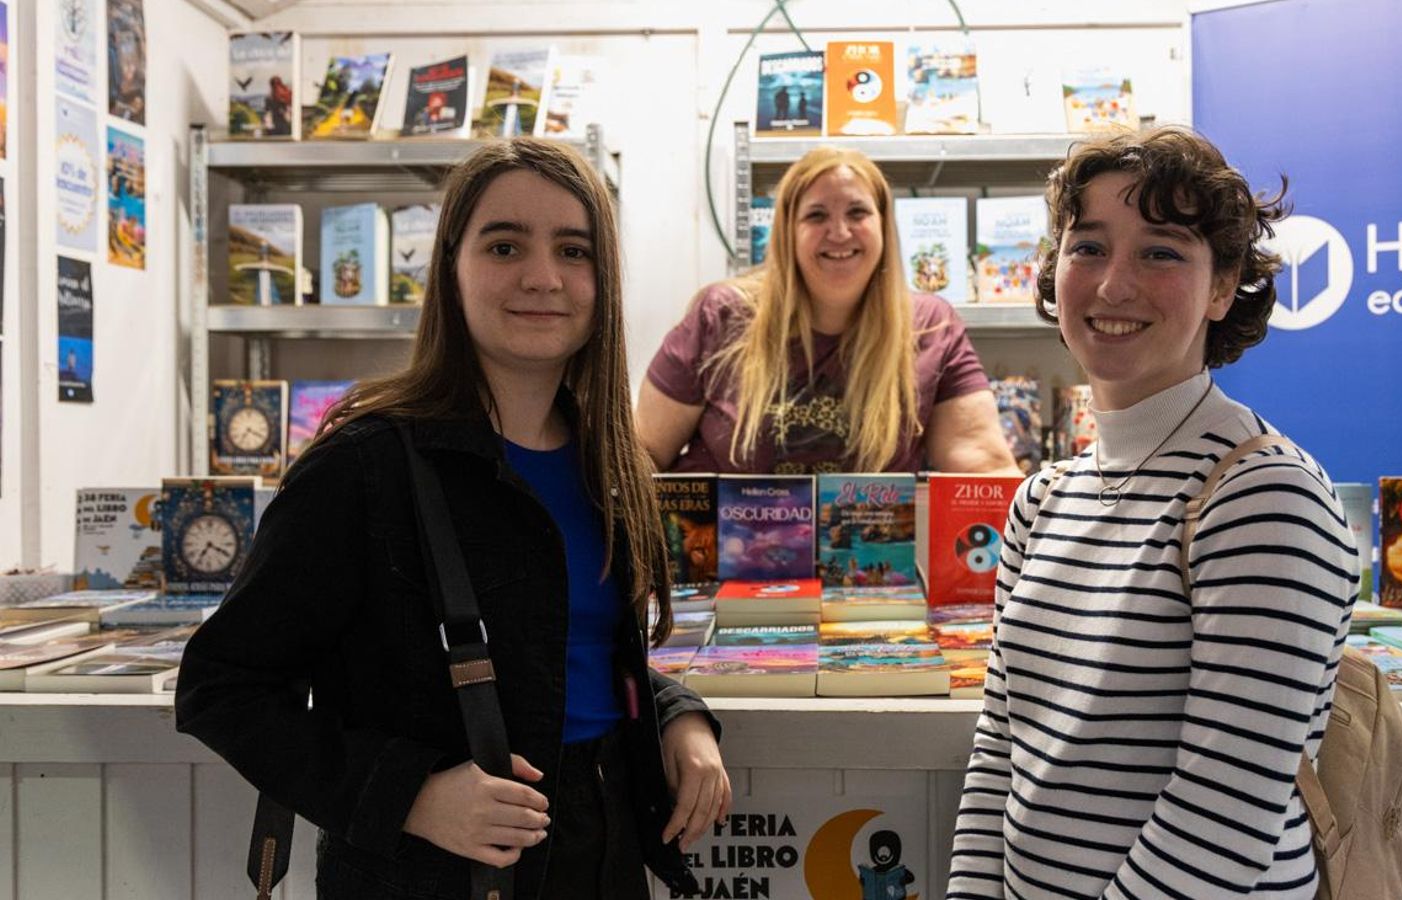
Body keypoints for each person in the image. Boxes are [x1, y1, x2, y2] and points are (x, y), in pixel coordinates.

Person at [176, 139, 731, 899]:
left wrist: (678, 716)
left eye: (574, 249)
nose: (543, 277)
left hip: (603, 848)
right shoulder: (364, 466)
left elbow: (571, 649)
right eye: (504, 245)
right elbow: (222, 687)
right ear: (450, 268)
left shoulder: (610, 461)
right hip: (429, 874)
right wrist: (411, 794)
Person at [948, 127, 1360, 899]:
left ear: (1221, 285)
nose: (1112, 286)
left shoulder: (1264, 495)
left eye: (1161, 252)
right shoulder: (1044, 501)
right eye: (1088, 247)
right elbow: (999, 753)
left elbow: (1225, 817)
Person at [637, 145, 1017, 476]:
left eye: (857, 213)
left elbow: (983, 464)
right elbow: (644, 452)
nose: (839, 232)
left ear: (884, 226)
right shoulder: (720, 315)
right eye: (816, 215)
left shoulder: (931, 327)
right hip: (723, 557)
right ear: (788, 232)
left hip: (869, 559)